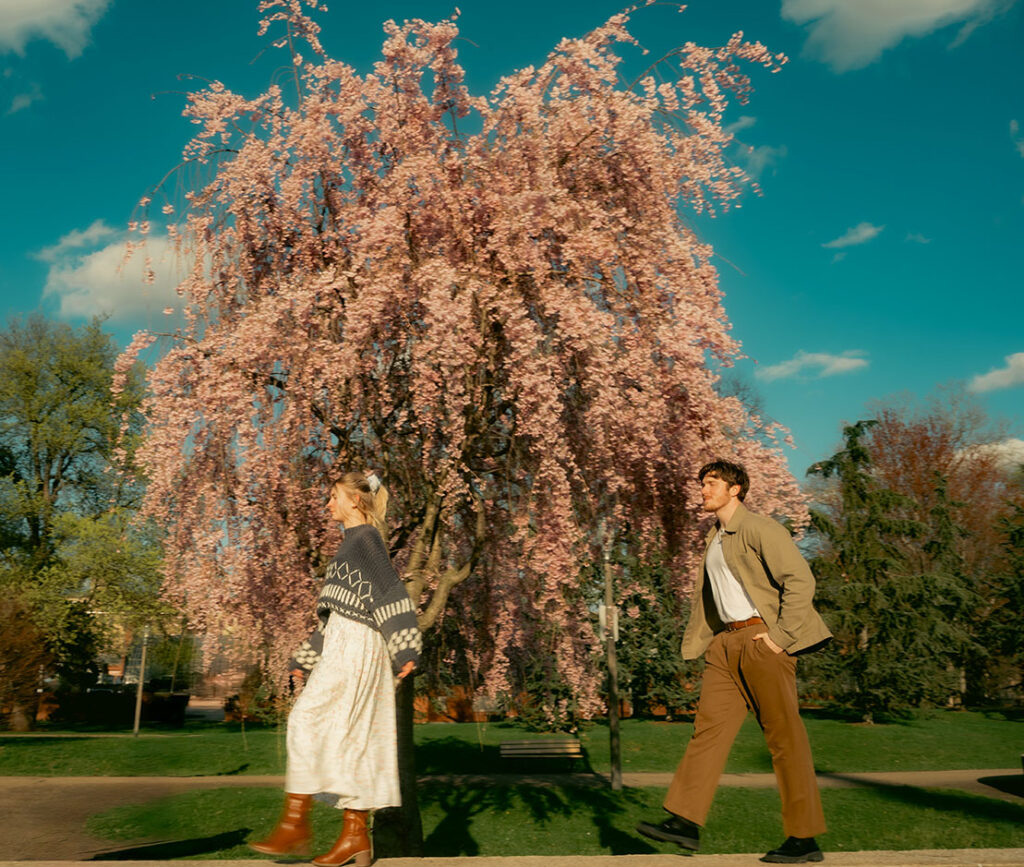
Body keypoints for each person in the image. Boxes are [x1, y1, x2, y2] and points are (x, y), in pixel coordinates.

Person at [637, 459, 832, 864]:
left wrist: (780, 639)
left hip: (762, 640)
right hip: (725, 647)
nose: (703, 489)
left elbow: (801, 581)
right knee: (707, 731)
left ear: (736, 489)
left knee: (784, 740)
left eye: (712, 482)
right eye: (702, 482)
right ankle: (685, 821)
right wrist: (711, 644)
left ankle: (804, 837)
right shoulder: (715, 539)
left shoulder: (761, 528)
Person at [250, 471, 422, 867]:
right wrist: (303, 659)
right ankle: (355, 837)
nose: (327, 504)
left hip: (359, 647)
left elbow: (390, 592)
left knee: (305, 720)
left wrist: (406, 646)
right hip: (347, 643)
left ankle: (296, 824)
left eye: (333, 497)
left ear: (354, 502)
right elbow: (336, 618)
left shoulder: (365, 541)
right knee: (356, 740)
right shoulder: (351, 547)